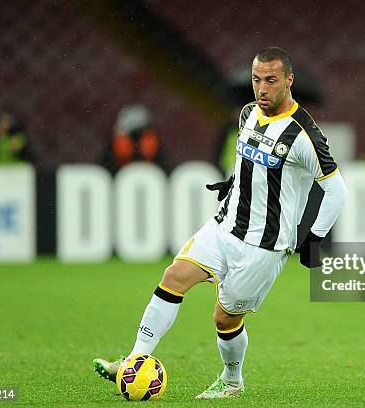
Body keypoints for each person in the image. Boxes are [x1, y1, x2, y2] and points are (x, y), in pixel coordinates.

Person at [93, 47, 347, 399]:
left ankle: (231, 380)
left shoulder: (305, 135)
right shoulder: (246, 114)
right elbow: (250, 161)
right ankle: (135, 360)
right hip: (225, 225)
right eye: (257, 80)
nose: (262, 88)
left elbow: (336, 190)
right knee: (173, 277)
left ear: (289, 80)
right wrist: (236, 183)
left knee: (224, 320)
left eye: (271, 81)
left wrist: (315, 237)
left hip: (264, 245)